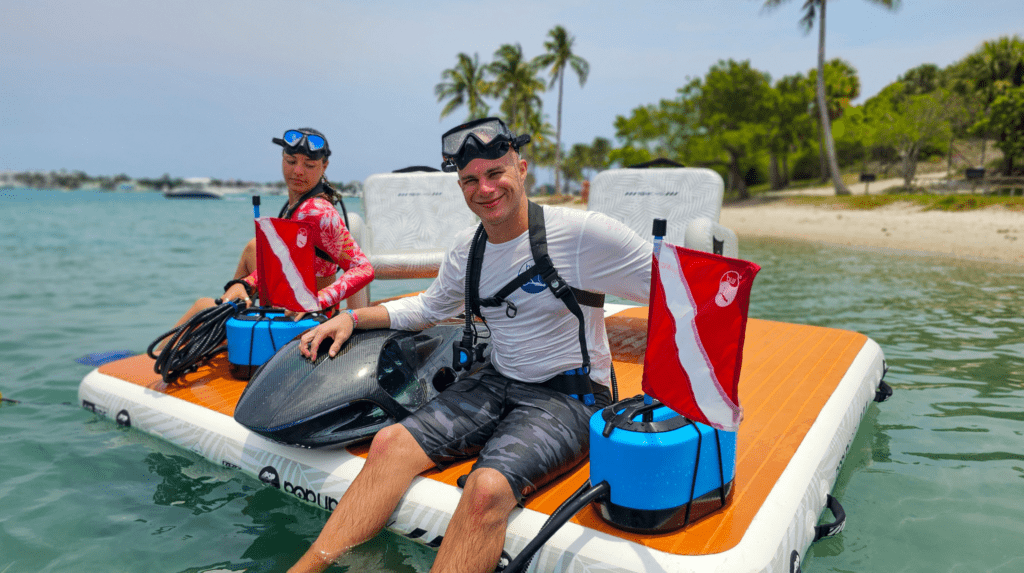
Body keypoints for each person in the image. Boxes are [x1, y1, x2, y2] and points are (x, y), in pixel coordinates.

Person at [289, 118, 651, 573]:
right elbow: (426, 307)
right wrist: (351, 317)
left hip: (570, 397)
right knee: (389, 444)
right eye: (470, 180)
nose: (485, 188)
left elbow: (678, 288)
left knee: (485, 490)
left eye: (495, 173)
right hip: (498, 379)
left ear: (521, 169)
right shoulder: (469, 248)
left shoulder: (581, 235)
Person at [162, 128, 373, 341]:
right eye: (291, 161)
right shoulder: (299, 205)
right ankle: (233, 311)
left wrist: (318, 300)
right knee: (253, 248)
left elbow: (363, 268)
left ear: (324, 166)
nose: (298, 171)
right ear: (282, 158)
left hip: (307, 321)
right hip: (293, 308)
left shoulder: (317, 212)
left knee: (202, 307)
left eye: (309, 165)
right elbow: (286, 262)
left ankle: (162, 363)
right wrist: (245, 284)